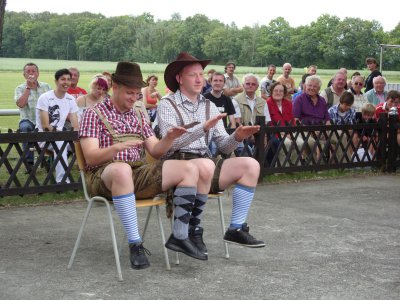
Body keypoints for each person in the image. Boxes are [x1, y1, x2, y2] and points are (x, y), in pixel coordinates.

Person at [79, 61, 213, 268]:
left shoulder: (139, 115)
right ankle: (135, 244)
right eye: (129, 93)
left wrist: (169, 138)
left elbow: (156, 151)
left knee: (190, 168)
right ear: (115, 87)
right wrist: (117, 148)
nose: (134, 99)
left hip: (137, 173)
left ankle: (179, 236)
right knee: (122, 169)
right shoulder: (92, 114)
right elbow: (91, 158)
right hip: (102, 176)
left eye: (137, 94)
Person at [157, 52, 266, 254]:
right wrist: (203, 128)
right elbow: (170, 143)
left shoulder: (210, 106)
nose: (199, 79)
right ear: (179, 79)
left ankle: (235, 228)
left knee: (251, 165)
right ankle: (193, 229)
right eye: (192, 75)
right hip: (177, 165)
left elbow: (224, 147)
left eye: (201, 74)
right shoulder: (167, 104)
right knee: (205, 164)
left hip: (205, 163)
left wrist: (237, 136)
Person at [36, 69, 79, 183]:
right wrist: (62, 134)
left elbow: (75, 125)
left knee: (86, 143)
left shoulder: (70, 99)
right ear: (56, 81)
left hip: (63, 136)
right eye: (63, 79)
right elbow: (45, 126)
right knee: (61, 143)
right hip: (44, 138)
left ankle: (90, 179)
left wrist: (77, 136)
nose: (66, 82)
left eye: (69, 79)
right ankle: (62, 180)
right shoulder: (45, 98)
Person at [14, 62, 51, 167]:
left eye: (33, 71)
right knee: (25, 128)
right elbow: (21, 104)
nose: (31, 74)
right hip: (28, 119)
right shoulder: (19, 88)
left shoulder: (46, 86)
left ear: (38, 73)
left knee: (55, 129)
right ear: (24, 75)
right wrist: (28, 88)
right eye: (28, 71)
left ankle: (48, 159)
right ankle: (29, 162)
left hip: (44, 119)